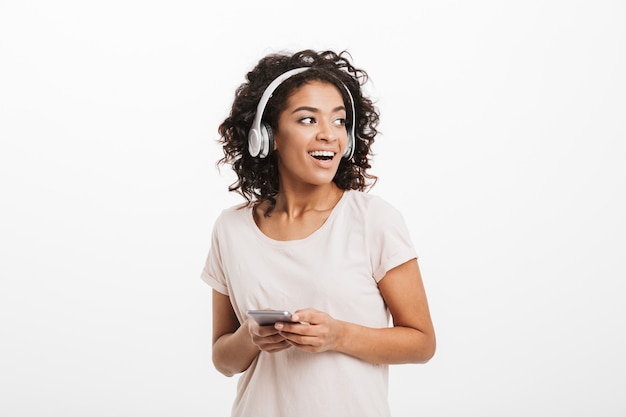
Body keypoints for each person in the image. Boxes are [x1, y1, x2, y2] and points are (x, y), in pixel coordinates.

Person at [201, 49, 436, 417]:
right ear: (268, 136)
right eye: (308, 119)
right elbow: (223, 360)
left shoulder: (373, 220)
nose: (329, 134)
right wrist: (251, 335)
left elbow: (422, 343)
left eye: (340, 121)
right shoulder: (231, 229)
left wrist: (338, 335)